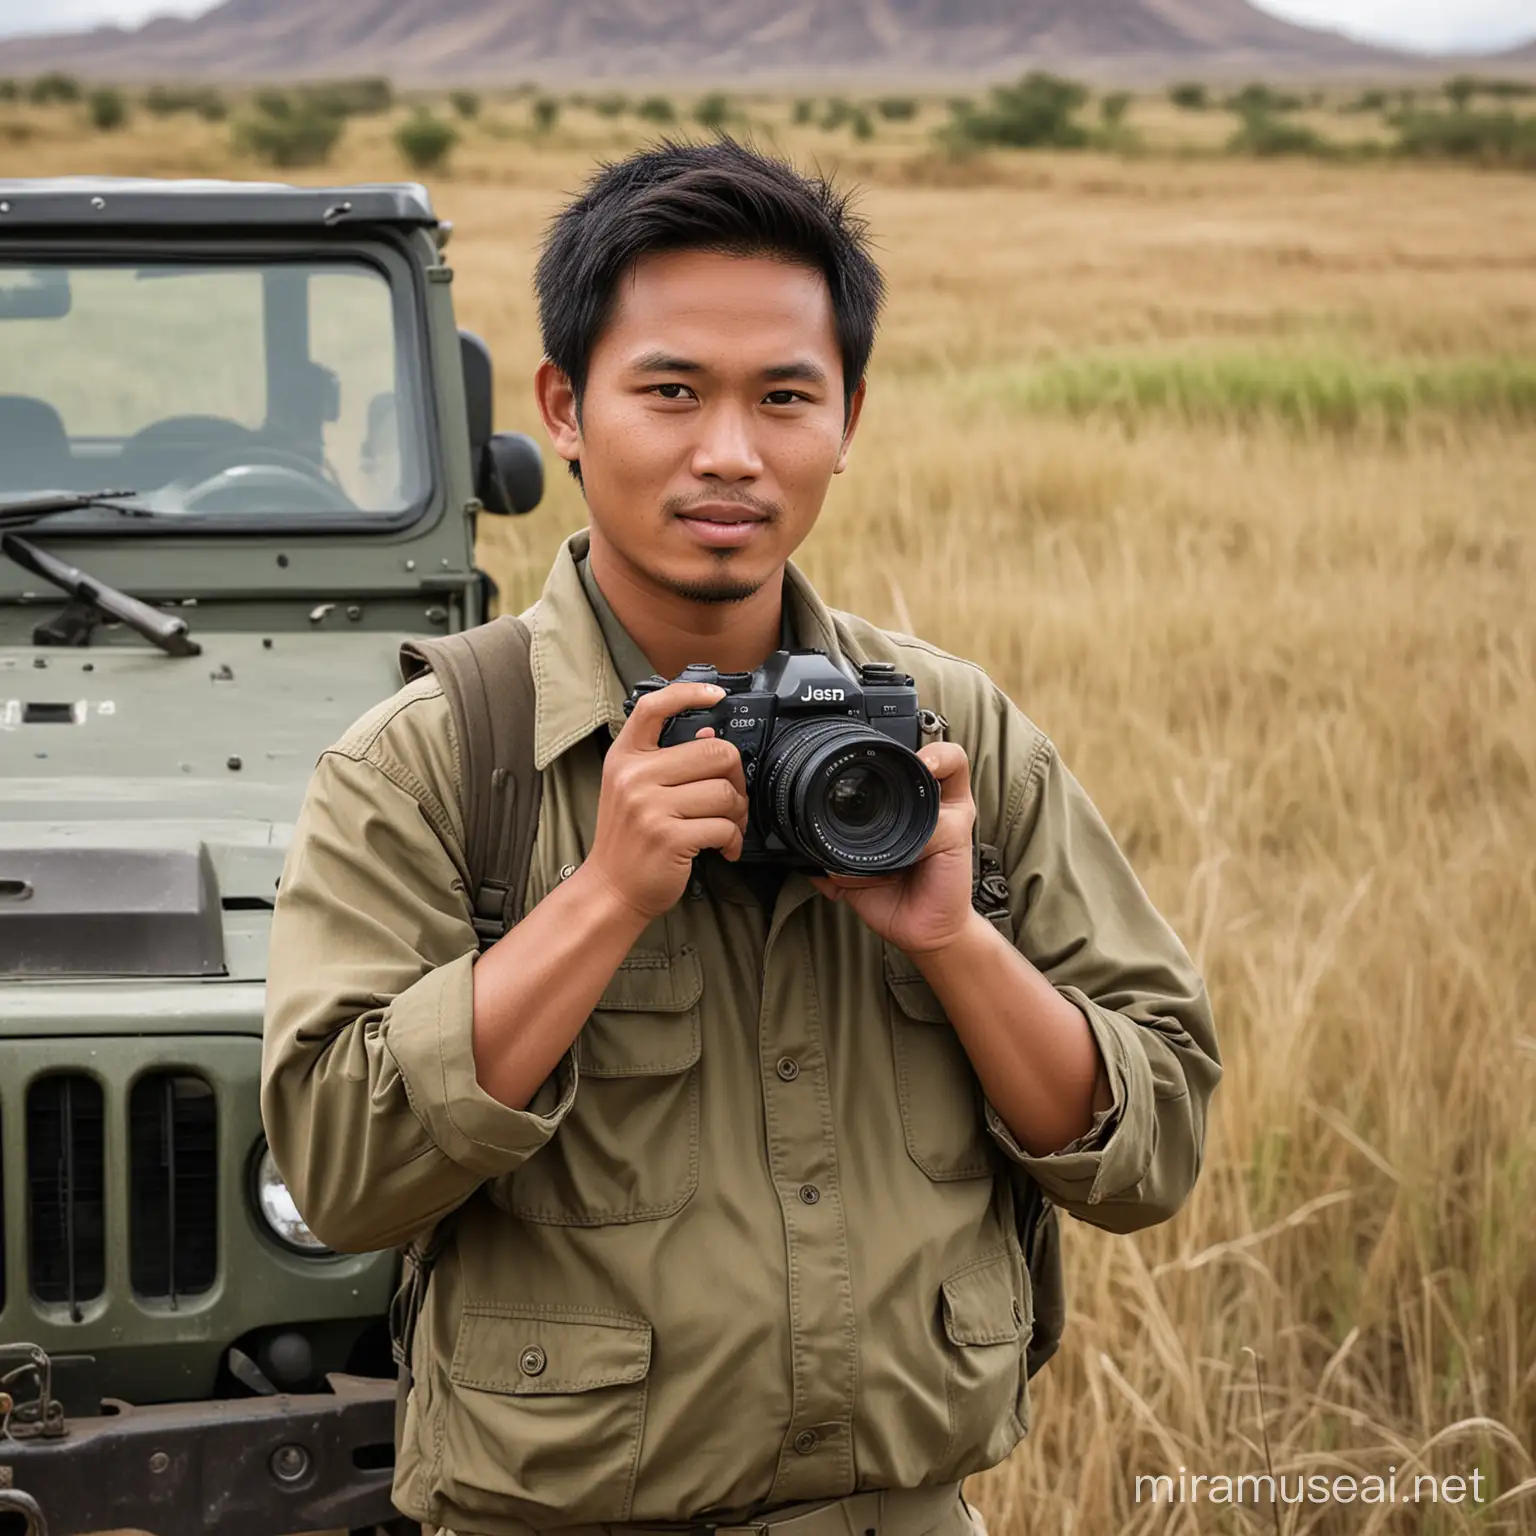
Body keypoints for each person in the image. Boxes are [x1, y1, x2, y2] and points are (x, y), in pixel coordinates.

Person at [261, 139, 1221, 1536]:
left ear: (849, 416)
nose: (730, 452)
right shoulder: (437, 760)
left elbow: (1157, 1146)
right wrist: (600, 899)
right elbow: (341, 1175)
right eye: (669, 392)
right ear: (565, 407)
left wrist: (955, 942)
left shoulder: (951, 737)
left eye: (785, 397)